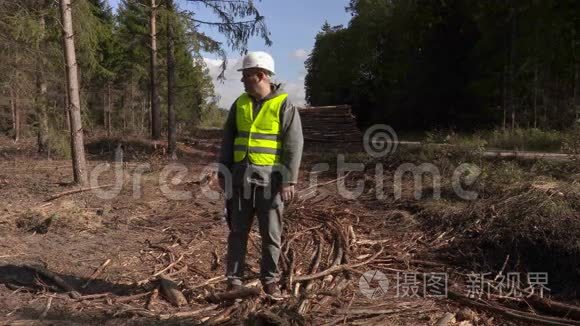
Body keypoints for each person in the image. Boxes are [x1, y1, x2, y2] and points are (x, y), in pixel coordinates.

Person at [218, 51, 304, 296]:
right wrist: (223, 172)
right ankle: (233, 280)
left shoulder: (284, 105)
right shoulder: (240, 103)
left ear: (262, 75)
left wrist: (289, 180)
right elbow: (228, 140)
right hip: (240, 179)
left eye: (247, 75)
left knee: (271, 233)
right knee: (237, 232)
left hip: (271, 181)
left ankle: (270, 280)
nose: (243, 80)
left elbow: (293, 145)